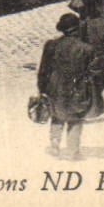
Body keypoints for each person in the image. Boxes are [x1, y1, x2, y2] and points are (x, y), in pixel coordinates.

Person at [38, 12, 96, 159]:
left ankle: (55, 144)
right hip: (77, 86)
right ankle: (72, 151)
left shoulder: (51, 45)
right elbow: (93, 71)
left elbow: (43, 70)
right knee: (75, 118)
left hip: (55, 85)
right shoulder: (87, 49)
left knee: (57, 115)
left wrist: (42, 89)